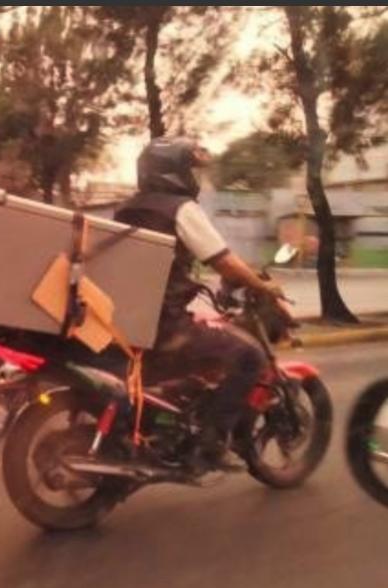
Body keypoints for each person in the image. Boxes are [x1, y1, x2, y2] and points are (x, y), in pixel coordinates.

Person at [114, 137, 290, 469]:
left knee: (202, 356)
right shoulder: (180, 209)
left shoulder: (127, 208)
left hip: (124, 321)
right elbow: (223, 261)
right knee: (249, 356)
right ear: (174, 172)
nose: (195, 178)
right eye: (190, 169)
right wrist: (263, 286)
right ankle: (210, 444)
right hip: (164, 324)